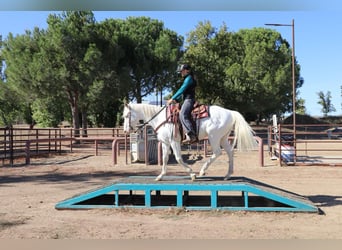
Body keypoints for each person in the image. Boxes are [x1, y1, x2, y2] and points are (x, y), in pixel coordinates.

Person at [167, 64, 198, 144]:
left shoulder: (189, 78)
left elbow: (182, 89)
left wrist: (172, 98)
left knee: (182, 114)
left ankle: (191, 135)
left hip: (189, 100)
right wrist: (176, 99)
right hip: (186, 100)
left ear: (187, 70)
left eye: (182, 71)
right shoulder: (188, 78)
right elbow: (183, 91)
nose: (181, 73)